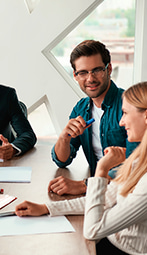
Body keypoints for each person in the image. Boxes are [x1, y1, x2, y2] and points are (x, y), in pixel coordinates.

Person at [16, 82, 147, 255]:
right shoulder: (139, 161)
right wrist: (46, 208)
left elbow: (93, 230)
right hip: (112, 241)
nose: (121, 122)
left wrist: (101, 170)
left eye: (125, 113)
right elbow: (105, 199)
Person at [50, 40, 137, 195]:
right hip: (97, 190)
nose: (90, 79)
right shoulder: (81, 108)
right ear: (75, 76)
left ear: (108, 69)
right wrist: (64, 137)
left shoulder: (129, 104)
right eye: (83, 72)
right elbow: (62, 160)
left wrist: (85, 185)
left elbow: (138, 162)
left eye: (96, 70)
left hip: (125, 193)